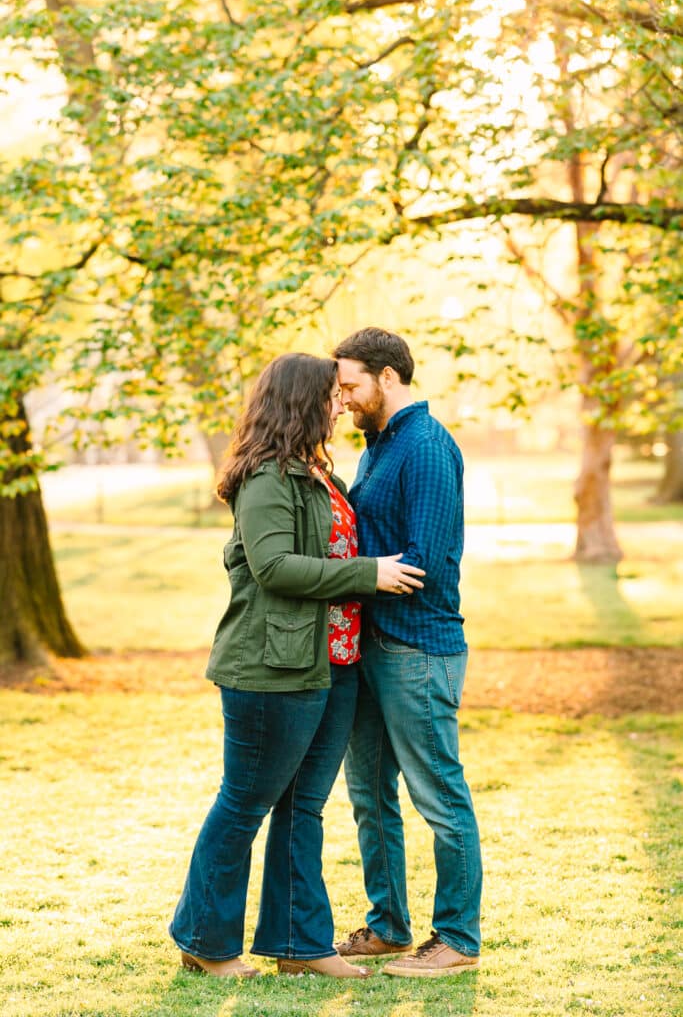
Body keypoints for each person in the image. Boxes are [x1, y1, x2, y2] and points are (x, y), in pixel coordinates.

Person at [169, 352, 425, 979]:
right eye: (332, 395)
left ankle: (298, 946)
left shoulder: (315, 471)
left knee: (301, 808)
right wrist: (371, 574)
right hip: (271, 670)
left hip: (329, 664)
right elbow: (274, 567)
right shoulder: (266, 478)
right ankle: (204, 940)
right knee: (243, 805)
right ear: (302, 401)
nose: (342, 404)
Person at [332, 327, 482, 977]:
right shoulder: (380, 446)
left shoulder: (423, 446)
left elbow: (425, 562)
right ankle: (388, 926)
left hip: (417, 648)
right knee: (368, 792)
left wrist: (350, 576)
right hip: (372, 648)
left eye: (349, 384)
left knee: (438, 796)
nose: (340, 397)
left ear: (387, 376)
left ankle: (455, 940)